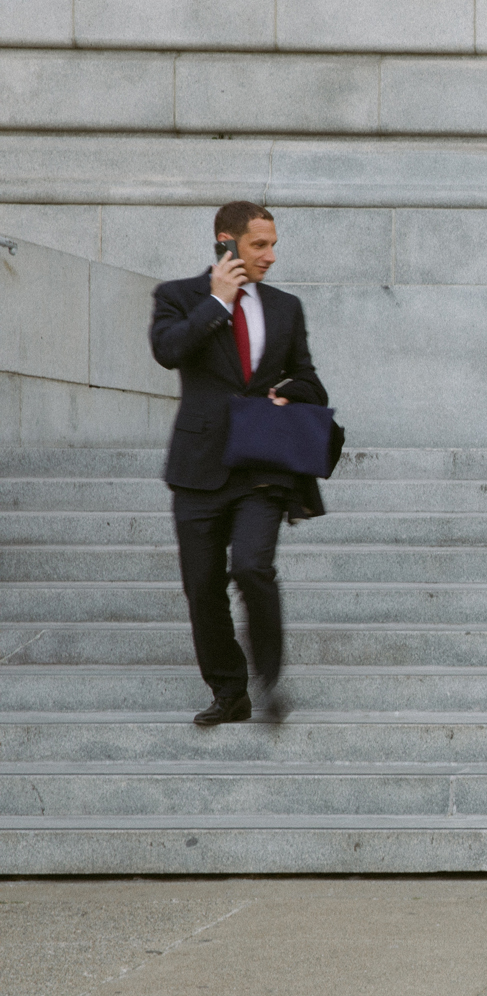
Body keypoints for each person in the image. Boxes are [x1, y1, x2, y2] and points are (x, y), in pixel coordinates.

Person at [149, 201, 331, 726]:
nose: (270, 256)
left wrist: (289, 392)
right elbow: (167, 351)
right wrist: (218, 302)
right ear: (226, 242)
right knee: (202, 585)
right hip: (199, 465)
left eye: (273, 244)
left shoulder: (286, 307)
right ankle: (229, 691)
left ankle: (269, 682)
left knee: (252, 566)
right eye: (259, 244)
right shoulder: (178, 296)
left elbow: (310, 379)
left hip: (262, 465)